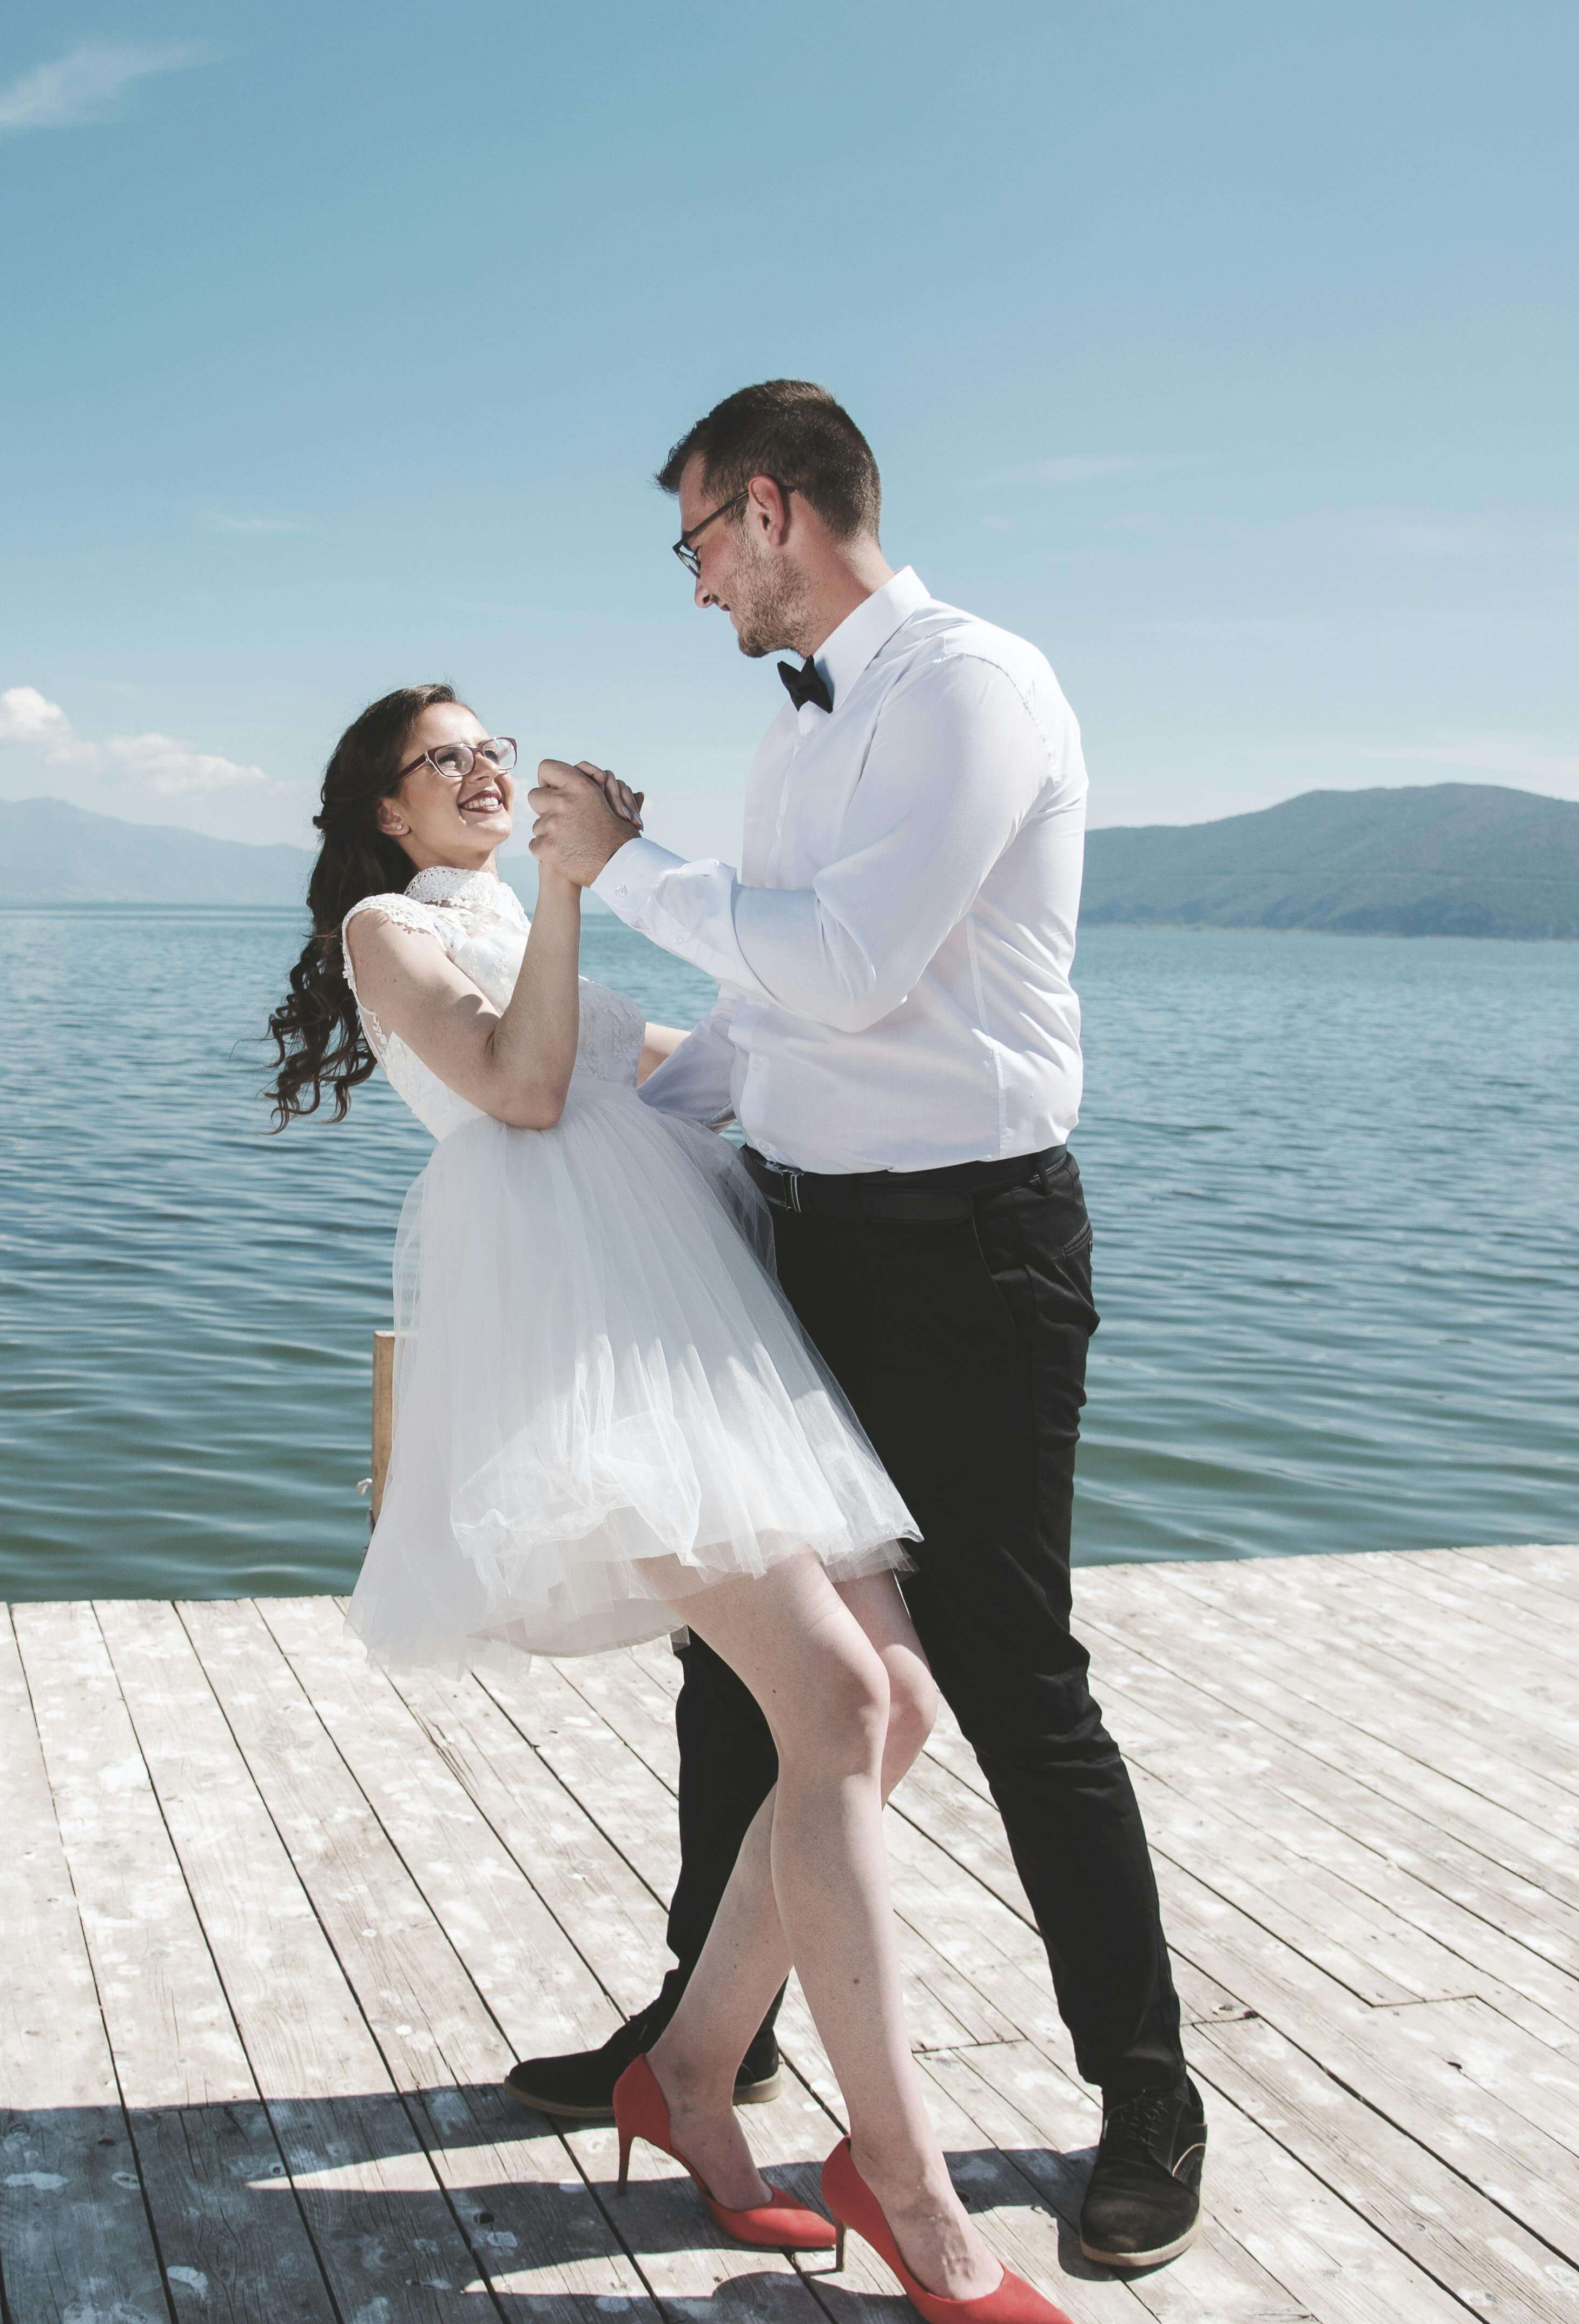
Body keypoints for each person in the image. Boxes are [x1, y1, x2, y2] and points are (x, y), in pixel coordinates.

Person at [508, 381, 1208, 2276]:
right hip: (792, 1244)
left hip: (973, 1258)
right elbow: (768, 1024)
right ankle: (697, 2047)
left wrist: (614, 873)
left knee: (1010, 1673)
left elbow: (850, 961)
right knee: (748, 1659)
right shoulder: (797, 740)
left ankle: (1144, 2101)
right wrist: (567, 1158)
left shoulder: (975, 690)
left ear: (768, 511)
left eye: (693, 548)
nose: (695, 588)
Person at [267, 685, 1072, 2320]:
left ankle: (693, 2073)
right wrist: (574, 889)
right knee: (841, 1699)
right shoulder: (386, 929)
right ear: (387, 815)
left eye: (498, 744)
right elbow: (526, 1084)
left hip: (692, 1325)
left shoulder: (517, 911)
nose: (489, 767)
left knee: (894, 1707)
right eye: (449, 759)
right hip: (588, 1346)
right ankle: (907, 2189)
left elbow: (686, 1075)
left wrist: (823, 983)